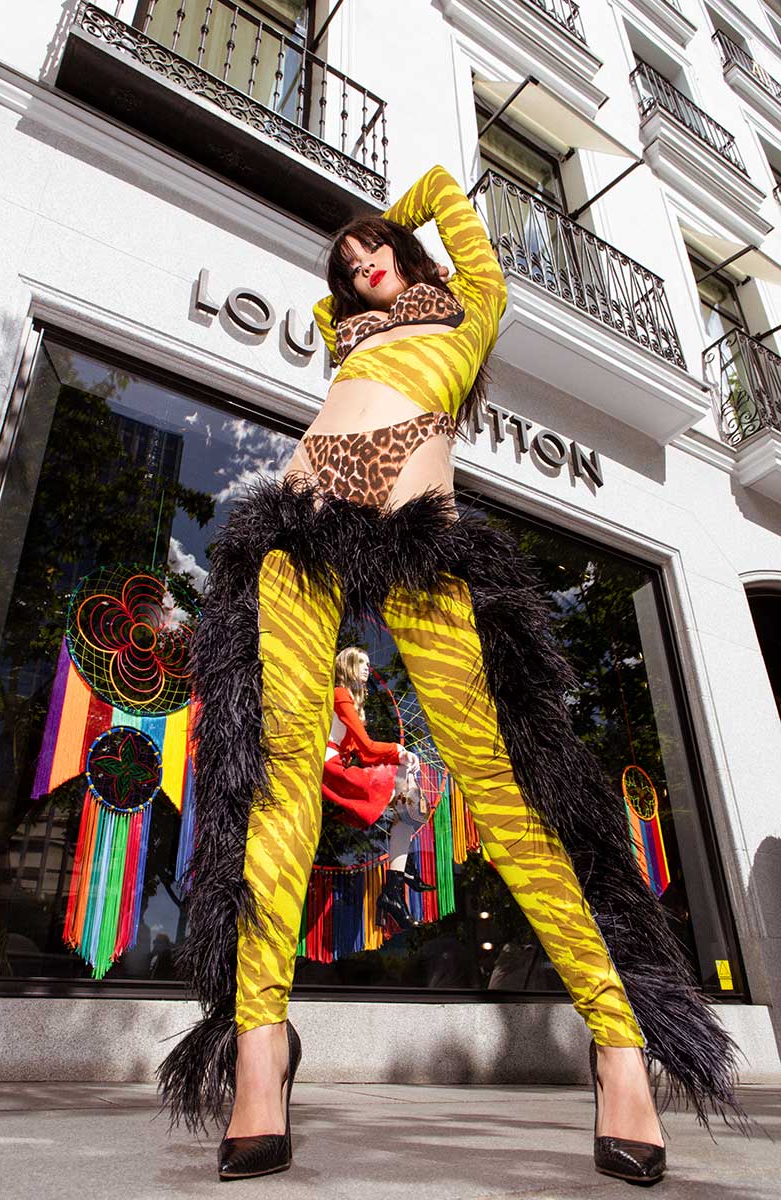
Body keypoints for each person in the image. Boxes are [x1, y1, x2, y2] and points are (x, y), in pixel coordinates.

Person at [159, 165, 743, 1182]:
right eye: (347, 263)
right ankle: (259, 1047)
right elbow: (328, 305)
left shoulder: (466, 310)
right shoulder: (346, 333)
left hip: (420, 538)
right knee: (283, 780)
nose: (360, 265)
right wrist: (354, 275)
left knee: (502, 791)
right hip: (301, 524)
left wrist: (391, 217)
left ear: (406, 251)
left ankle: (617, 1039)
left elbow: (445, 203)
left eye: (373, 251)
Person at [322, 646, 434, 930]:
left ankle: (398, 878)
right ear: (347, 665)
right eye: (361, 663)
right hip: (332, 771)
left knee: (406, 803)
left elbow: (365, 753)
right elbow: (368, 750)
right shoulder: (340, 694)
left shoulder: (348, 699)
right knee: (407, 793)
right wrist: (400, 751)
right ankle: (400, 877)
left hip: (338, 769)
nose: (366, 668)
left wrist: (400, 756)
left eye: (368, 663)